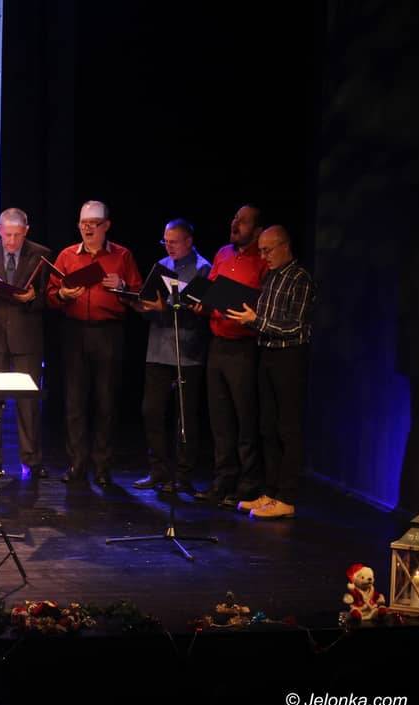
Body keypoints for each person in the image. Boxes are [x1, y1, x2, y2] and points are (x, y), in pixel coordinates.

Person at [46, 200, 143, 487]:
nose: (88, 229)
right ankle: (77, 464)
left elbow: (139, 295)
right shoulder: (67, 255)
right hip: (74, 332)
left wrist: (122, 287)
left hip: (108, 332)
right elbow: (50, 295)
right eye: (83, 224)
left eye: (94, 224)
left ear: (106, 226)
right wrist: (63, 295)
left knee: (106, 401)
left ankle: (102, 466)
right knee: (74, 401)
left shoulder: (122, 256)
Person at [226, 226, 315, 519]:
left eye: (267, 250)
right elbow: (264, 317)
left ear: (285, 246)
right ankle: (272, 492)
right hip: (266, 353)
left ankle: (286, 497)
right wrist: (250, 319)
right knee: (267, 427)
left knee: (287, 428)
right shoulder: (271, 276)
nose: (263, 256)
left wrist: (257, 321)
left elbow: (296, 326)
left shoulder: (300, 278)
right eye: (261, 250)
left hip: (289, 357)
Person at [192, 205, 268, 507]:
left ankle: (248, 484)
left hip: (244, 347)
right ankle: (223, 480)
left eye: (243, 221)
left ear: (258, 230)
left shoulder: (262, 259)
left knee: (245, 419)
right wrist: (202, 303)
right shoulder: (223, 253)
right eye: (235, 218)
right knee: (220, 419)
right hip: (218, 344)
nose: (235, 224)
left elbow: (264, 302)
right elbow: (211, 291)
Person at [131, 219, 211, 495]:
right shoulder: (162, 265)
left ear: (189, 241)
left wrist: (165, 308)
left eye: (174, 242)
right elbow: (151, 303)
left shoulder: (203, 268)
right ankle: (158, 470)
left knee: (184, 417)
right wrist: (142, 305)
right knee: (151, 411)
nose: (169, 247)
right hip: (157, 349)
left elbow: (199, 312)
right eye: (166, 241)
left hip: (186, 352)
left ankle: (182, 475)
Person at [0, 208, 51, 480]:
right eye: (7, 235)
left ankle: (31, 461)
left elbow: (49, 297)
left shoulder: (41, 255)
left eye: (17, 235)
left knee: (28, 404)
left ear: (26, 231)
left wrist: (32, 297)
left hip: (27, 337)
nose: (11, 241)